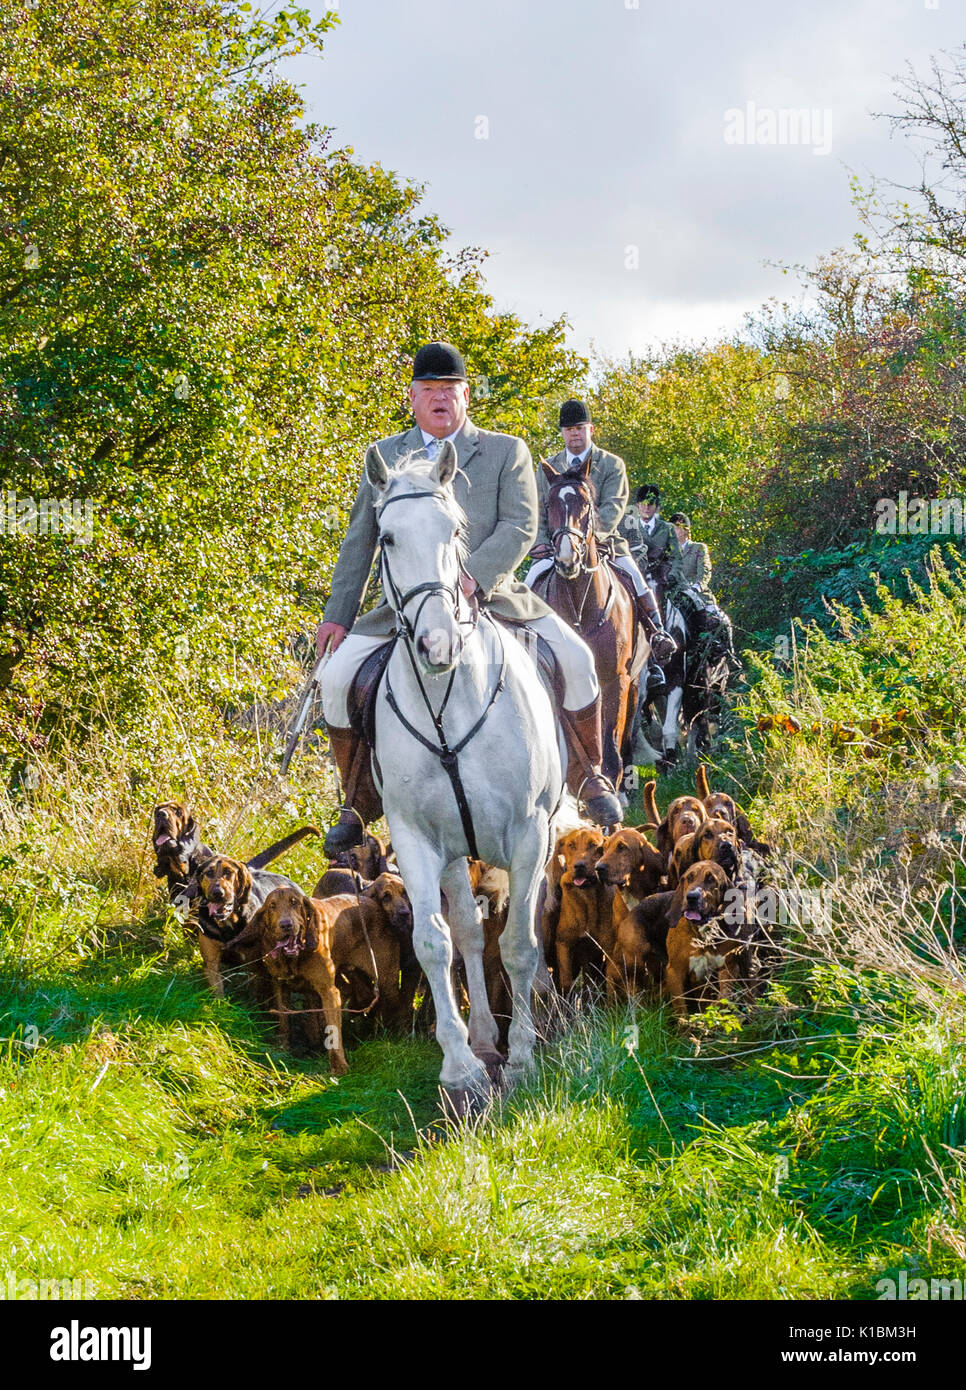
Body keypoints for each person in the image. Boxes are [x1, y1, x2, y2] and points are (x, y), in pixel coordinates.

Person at [315, 342, 624, 853]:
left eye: (448, 391)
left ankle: (589, 775)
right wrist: (337, 617)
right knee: (337, 677)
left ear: (465, 396)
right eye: (428, 391)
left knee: (578, 658)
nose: (439, 400)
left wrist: (471, 578)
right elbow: (360, 541)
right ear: (412, 398)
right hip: (404, 606)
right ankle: (355, 800)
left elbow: (521, 525)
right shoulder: (385, 455)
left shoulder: (507, 451)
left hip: (494, 596)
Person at [525, 400, 675, 662]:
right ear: (562, 432)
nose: (574, 433)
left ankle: (656, 632)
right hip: (557, 544)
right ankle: (521, 632)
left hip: (603, 542)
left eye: (579, 428)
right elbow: (538, 507)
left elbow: (613, 506)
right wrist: (540, 541)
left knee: (634, 576)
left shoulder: (612, 464)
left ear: (590, 429)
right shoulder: (548, 466)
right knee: (530, 581)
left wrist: (589, 539)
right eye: (569, 429)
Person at [668, 511, 739, 667]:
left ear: (686, 530)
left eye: (678, 528)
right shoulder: (668, 552)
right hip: (673, 596)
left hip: (696, 594)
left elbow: (705, 572)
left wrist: (695, 587)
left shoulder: (698, 548)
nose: (674, 531)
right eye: (672, 528)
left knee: (721, 621)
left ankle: (729, 655)